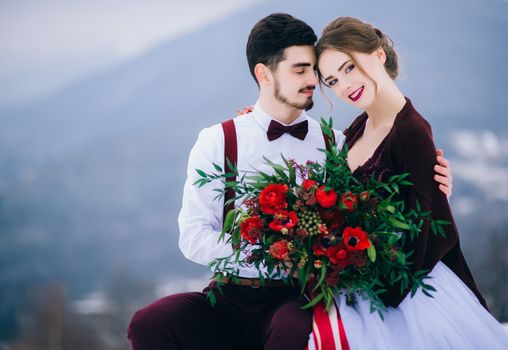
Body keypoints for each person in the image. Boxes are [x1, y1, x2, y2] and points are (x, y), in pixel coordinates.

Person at [127, 13, 453, 350]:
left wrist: (434, 180)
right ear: (264, 74)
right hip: (227, 296)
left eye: (313, 69)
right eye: (300, 70)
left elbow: (374, 203)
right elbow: (193, 235)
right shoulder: (218, 140)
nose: (313, 79)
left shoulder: (335, 144)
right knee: (151, 323)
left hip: (296, 297)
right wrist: (261, 253)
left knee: (294, 328)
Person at [311, 16, 508, 349]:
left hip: (407, 290)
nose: (343, 85)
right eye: (332, 80)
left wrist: (385, 289)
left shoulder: (411, 131)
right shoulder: (360, 126)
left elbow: (435, 228)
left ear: (377, 55)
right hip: (358, 279)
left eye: (349, 68)